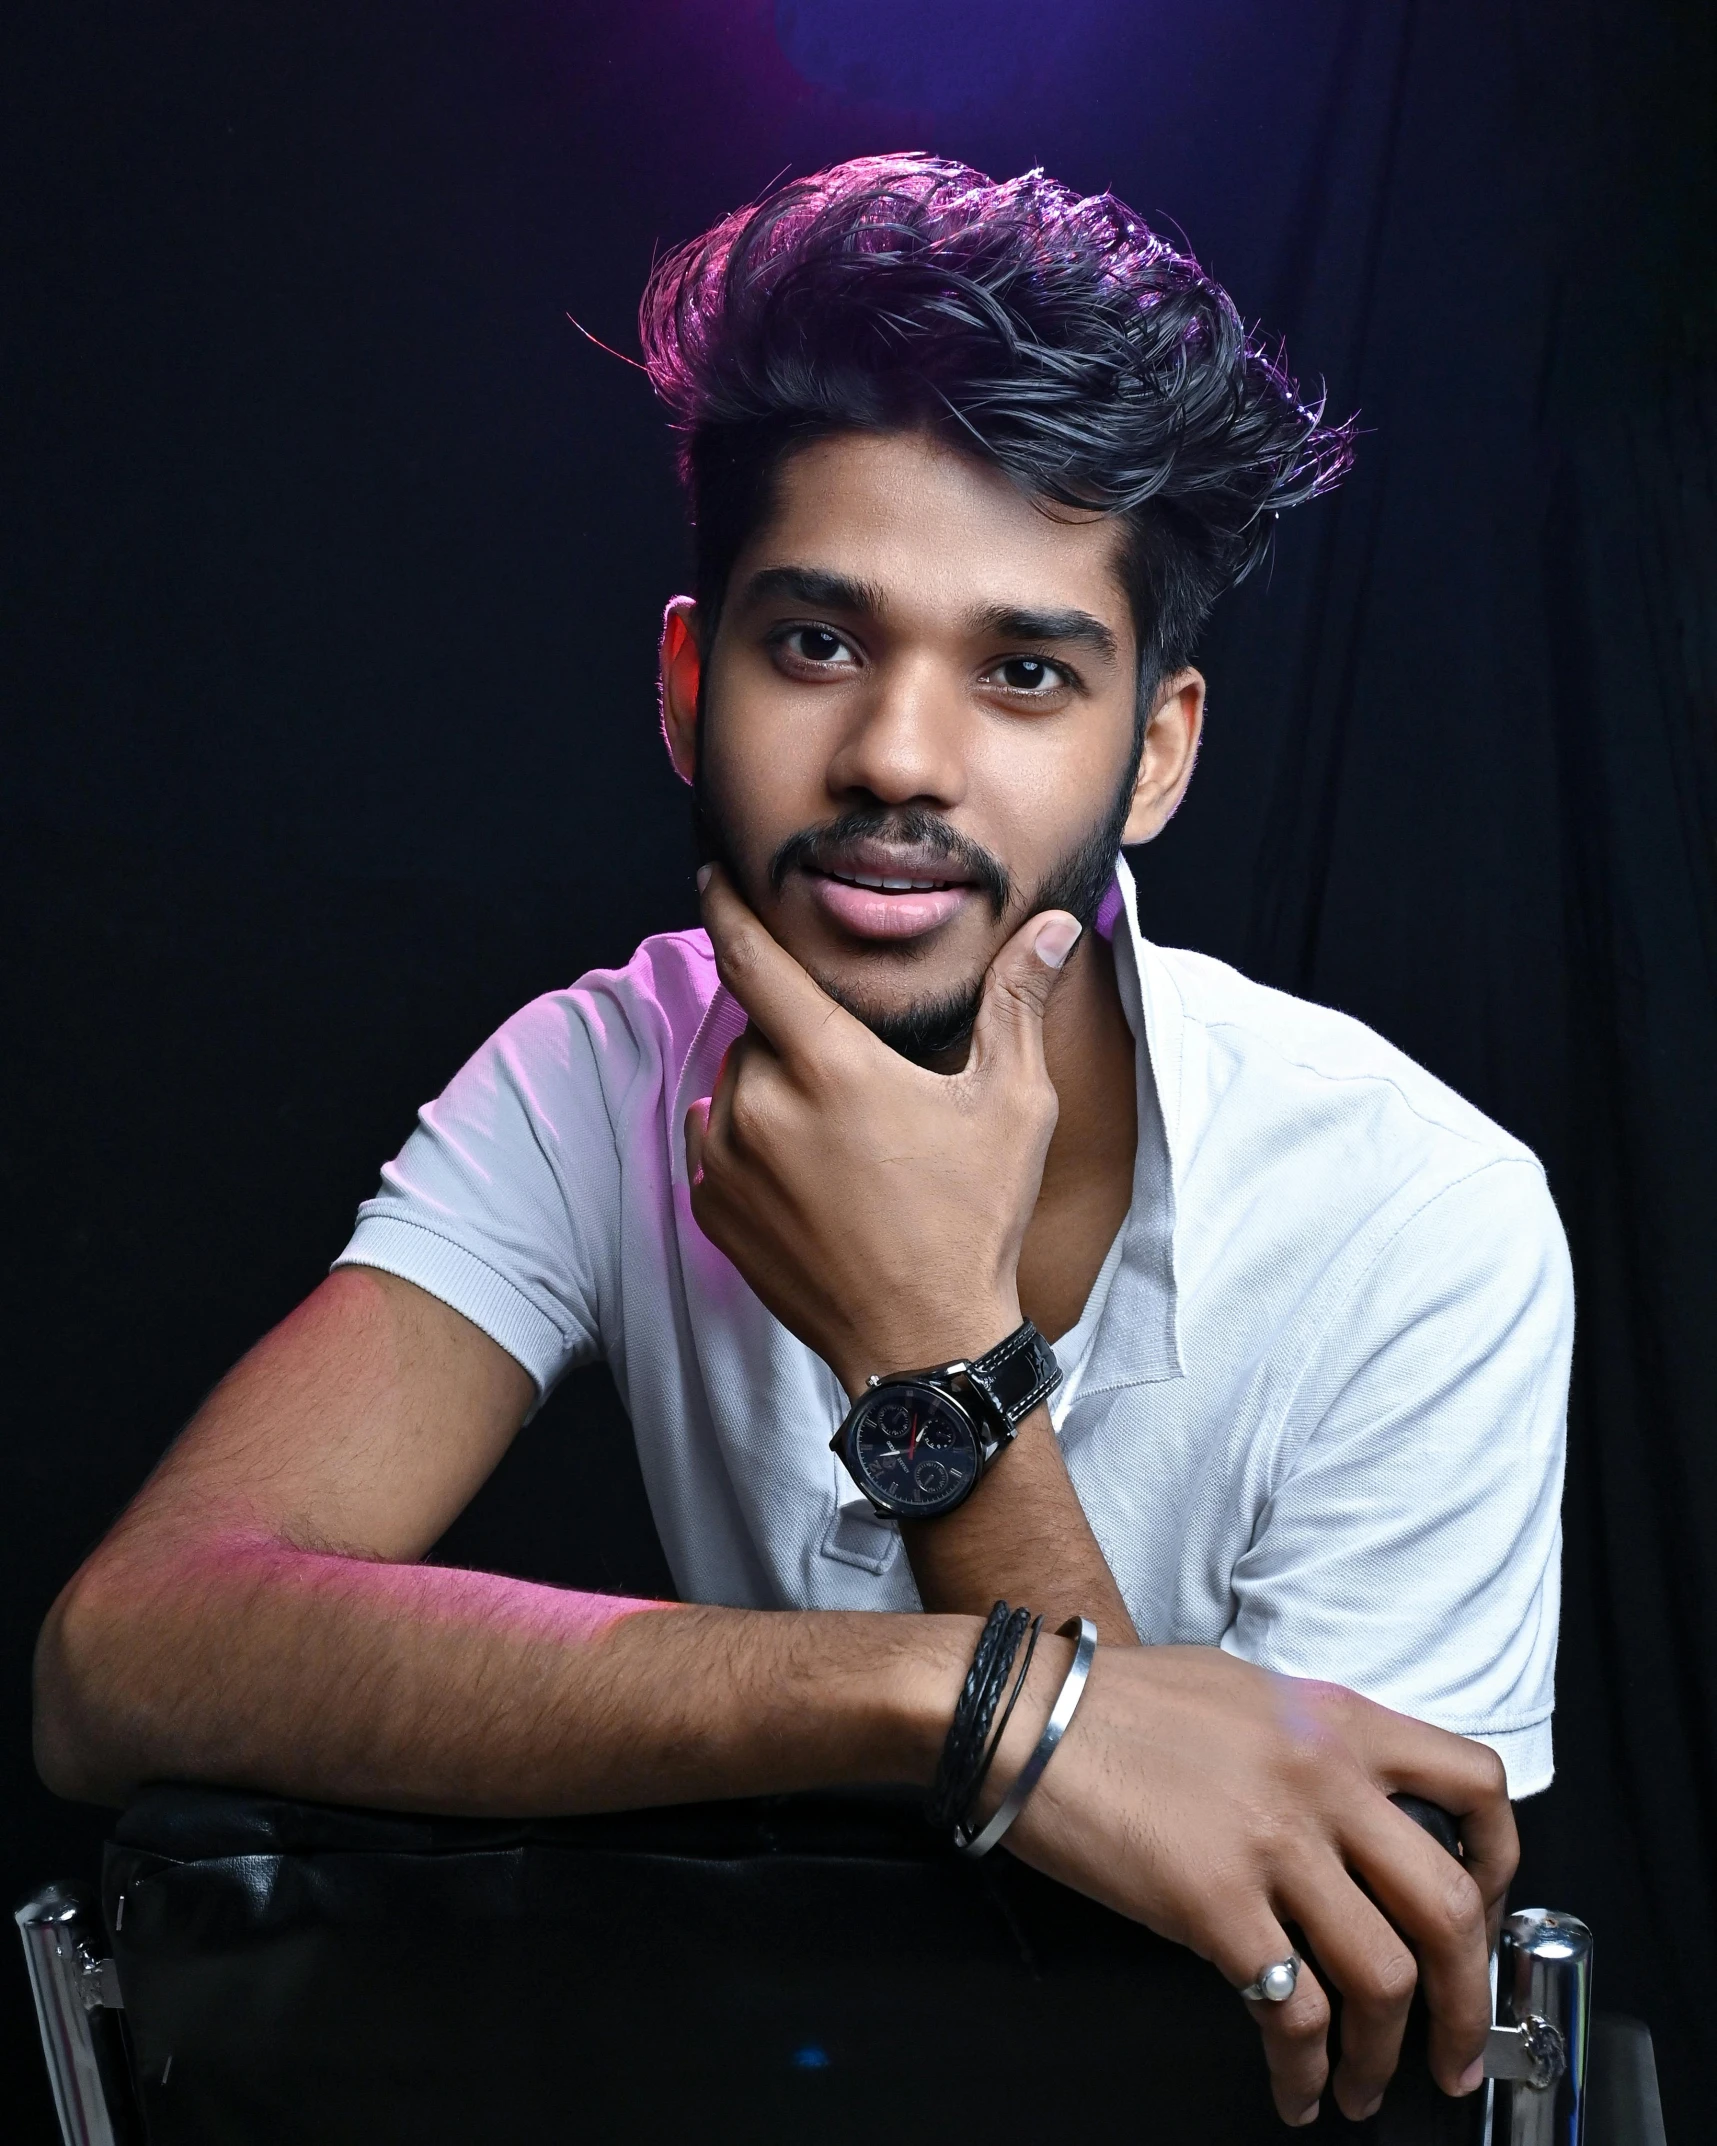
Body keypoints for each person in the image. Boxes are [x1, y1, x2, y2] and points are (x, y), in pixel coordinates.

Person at [34, 156, 1570, 2128]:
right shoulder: (603, 1075)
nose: (900, 761)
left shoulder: (1420, 1216)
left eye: (1024, 671)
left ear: (1158, 749)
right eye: (821, 643)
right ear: (690, 682)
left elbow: (1320, 2043)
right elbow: (130, 1652)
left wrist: (934, 1352)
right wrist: (959, 1700)